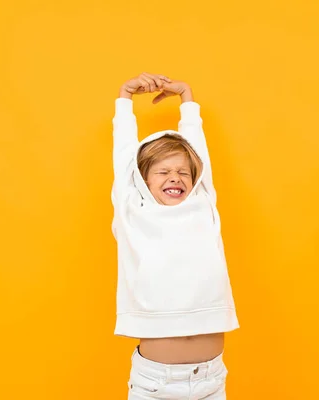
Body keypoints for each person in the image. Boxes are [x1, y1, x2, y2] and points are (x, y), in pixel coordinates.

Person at [111, 72, 239, 399]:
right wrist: (125, 98)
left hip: (211, 381)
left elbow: (199, 157)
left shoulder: (202, 205)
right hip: (156, 385)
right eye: (163, 171)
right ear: (143, 180)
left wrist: (187, 99)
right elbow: (124, 154)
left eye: (183, 172)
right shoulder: (132, 212)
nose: (176, 178)